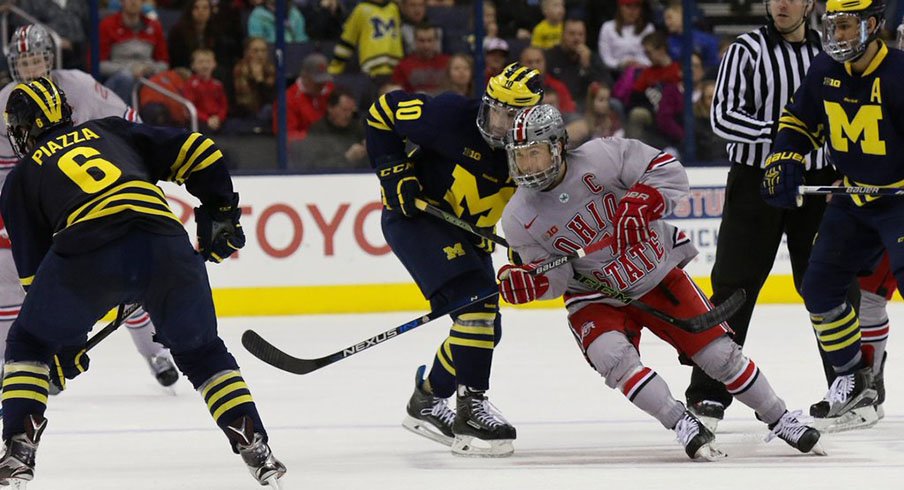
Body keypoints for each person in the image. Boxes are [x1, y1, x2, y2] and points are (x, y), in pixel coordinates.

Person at [0, 76, 286, 488]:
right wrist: (221, 210)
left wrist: (60, 346)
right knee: (203, 354)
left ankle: (19, 450)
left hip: (87, 252)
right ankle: (257, 448)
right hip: (165, 245)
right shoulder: (110, 129)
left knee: (28, 343)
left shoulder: (21, 177)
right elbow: (198, 149)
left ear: (22, 128)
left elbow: (35, 277)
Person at [497, 103, 824, 461]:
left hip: (655, 273)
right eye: (520, 157)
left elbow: (668, 170)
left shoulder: (602, 155)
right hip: (595, 295)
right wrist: (534, 284)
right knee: (613, 357)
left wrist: (645, 198)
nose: (526, 166)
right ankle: (681, 421)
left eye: (534, 154)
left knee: (721, 356)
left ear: (558, 146)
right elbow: (556, 275)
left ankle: (780, 417)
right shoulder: (517, 218)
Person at [366, 63, 543, 457]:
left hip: (470, 235)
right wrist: (393, 172)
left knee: (484, 330)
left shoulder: (535, 147)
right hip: (418, 218)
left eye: (511, 115)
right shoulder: (449, 115)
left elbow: (533, 207)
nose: (498, 122)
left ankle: (427, 400)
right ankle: (471, 411)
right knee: (477, 308)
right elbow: (381, 113)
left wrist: (527, 253)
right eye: (495, 108)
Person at [687, 0, 844, 432]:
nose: (782, 3)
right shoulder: (747, 49)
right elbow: (723, 116)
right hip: (757, 184)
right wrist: (786, 133)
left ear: (810, 3)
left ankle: (847, 385)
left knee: (826, 284)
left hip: (815, 186)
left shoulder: (827, 54)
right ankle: (708, 393)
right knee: (732, 288)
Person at [0, 24, 179, 391]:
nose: (31, 67)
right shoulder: (5, 100)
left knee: (123, 284)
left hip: (77, 203)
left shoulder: (79, 86)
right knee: (8, 290)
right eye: (24, 61)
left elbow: (130, 126)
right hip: (23, 207)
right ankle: (17, 368)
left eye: (36, 59)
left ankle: (155, 352)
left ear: (50, 59)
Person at [761, 0, 899, 425]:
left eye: (845, 26)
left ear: (872, 25)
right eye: (833, 26)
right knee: (819, 288)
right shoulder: (825, 70)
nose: (836, 35)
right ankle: (853, 378)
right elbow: (799, 120)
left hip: (899, 202)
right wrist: (784, 157)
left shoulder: (899, 75)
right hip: (853, 200)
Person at [99, 0, 170, 104]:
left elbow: (164, 63)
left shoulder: (155, 26)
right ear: (122, 2)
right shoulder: (107, 25)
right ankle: (122, 118)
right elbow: (99, 65)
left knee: (166, 80)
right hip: (118, 77)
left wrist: (148, 69)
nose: (133, 2)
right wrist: (130, 70)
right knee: (126, 78)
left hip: (147, 74)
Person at [328, 0, 403, 81]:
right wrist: (334, 69)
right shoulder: (361, 9)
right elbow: (347, 42)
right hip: (371, 72)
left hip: (397, 71)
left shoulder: (394, 8)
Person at [181, 48, 228, 132]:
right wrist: (207, 119)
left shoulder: (218, 84)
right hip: (199, 122)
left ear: (214, 64)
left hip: (217, 120)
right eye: (200, 62)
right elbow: (190, 108)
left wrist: (218, 118)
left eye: (208, 62)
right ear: (193, 65)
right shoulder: (190, 85)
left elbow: (223, 105)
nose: (205, 66)